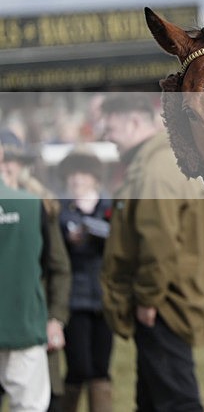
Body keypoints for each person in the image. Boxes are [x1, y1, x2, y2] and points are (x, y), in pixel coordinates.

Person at [98, 93, 204, 412]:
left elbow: (159, 244)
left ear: (135, 122)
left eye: (111, 128)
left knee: (177, 401)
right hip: (166, 302)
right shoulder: (158, 161)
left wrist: (147, 299)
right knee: (152, 399)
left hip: (164, 307)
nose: (106, 135)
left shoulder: (155, 170)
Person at [0, 129, 71, 412]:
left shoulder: (41, 206)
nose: (7, 167)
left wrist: (56, 317)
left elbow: (58, 268)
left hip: (29, 320)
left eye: (12, 161)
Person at [57, 150, 113, 412]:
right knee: (78, 366)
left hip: (104, 297)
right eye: (73, 174)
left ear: (94, 178)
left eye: (83, 173)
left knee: (100, 368)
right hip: (74, 298)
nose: (77, 179)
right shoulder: (60, 210)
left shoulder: (110, 206)